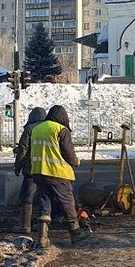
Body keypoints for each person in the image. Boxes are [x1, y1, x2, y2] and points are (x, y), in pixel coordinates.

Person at [30, 105, 92, 247]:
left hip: (39, 172)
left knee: (44, 202)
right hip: (57, 173)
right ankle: (76, 233)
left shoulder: (37, 129)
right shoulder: (60, 130)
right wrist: (76, 161)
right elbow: (68, 154)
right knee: (67, 202)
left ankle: (42, 237)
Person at [13, 107, 47, 235]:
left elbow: (23, 150)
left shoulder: (29, 129)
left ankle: (25, 226)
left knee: (27, 196)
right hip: (47, 169)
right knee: (45, 197)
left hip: (32, 169)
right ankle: (43, 227)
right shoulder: (50, 128)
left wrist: (18, 166)